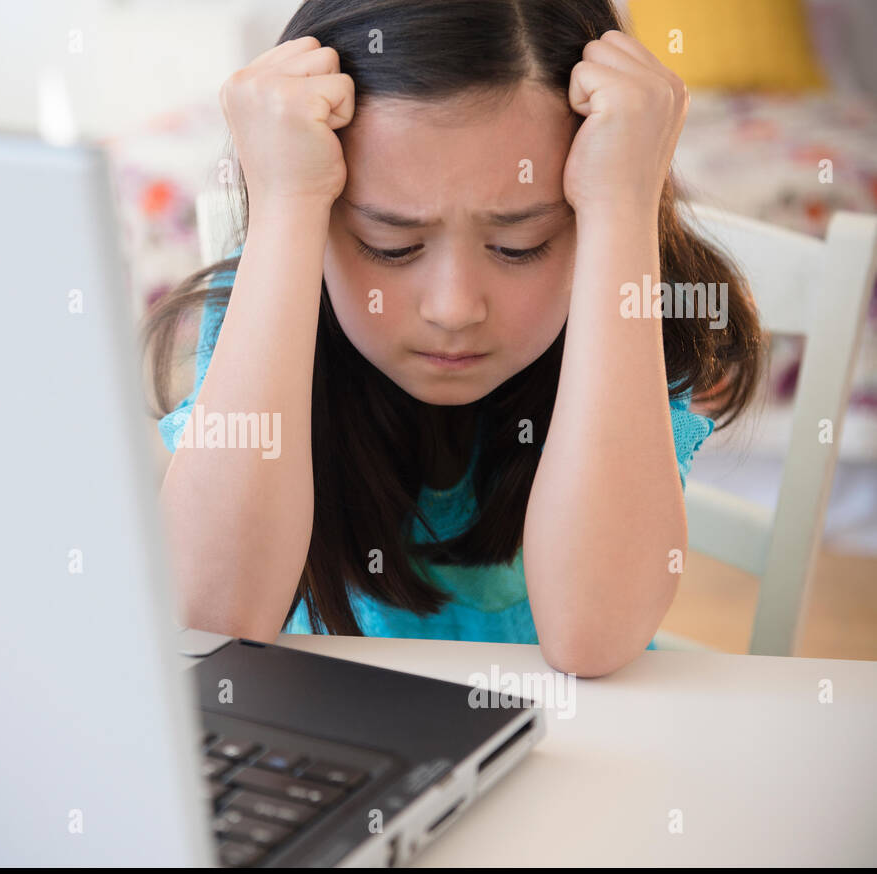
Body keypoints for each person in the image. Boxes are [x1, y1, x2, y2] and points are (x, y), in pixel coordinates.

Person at [142, 0, 765, 676]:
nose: (454, 308)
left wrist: (622, 206)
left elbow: (594, 636)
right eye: (392, 244)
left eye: (518, 245)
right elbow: (209, 621)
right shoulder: (260, 309)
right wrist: (285, 205)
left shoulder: (634, 311)